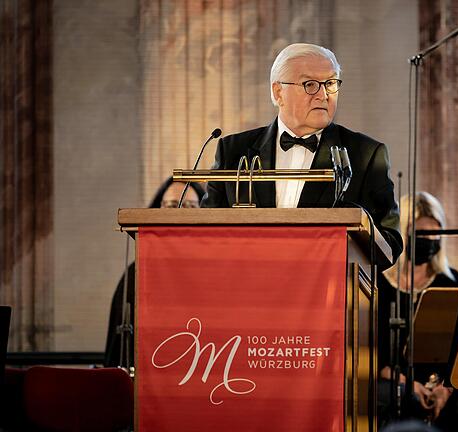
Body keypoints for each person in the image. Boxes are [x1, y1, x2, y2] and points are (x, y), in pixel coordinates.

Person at [200, 42, 402, 259]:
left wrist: (352, 224)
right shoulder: (233, 150)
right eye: (310, 84)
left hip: (326, 288)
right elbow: (204, 233)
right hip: (248, 284)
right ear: (278, 92)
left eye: (331, 83)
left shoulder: (366, 154)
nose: (323, 95)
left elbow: (390, 242)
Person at [377, 192, 458, 432]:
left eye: (437, 233)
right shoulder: (379, 282)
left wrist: (445, 389)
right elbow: (378, 356)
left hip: (445, 381)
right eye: (423, 233)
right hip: (394, 379)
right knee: (405, 400)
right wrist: (413, 386)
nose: (431, 240)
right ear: (404, 233)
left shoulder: (450, 280)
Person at [104, 178, 205, 367]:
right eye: (173, 206)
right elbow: (119, 351)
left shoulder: (215, 269)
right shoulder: (138, 272)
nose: (180, 215)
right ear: (158, 209)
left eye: (190, 207)